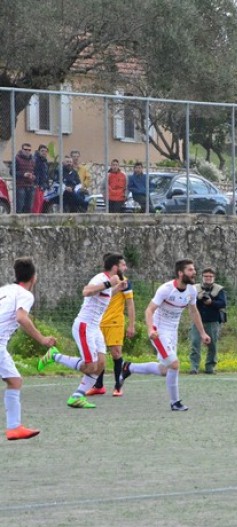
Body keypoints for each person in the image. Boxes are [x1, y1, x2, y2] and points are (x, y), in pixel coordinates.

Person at [37, 253, 127, 409]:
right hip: (84, 326)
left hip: (94, 328)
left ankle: (77, 396)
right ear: (115, 267)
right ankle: (54, 356)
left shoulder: (110, 282)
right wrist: (108, 284)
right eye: (122, 265)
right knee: (90, 366)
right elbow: (86, 291)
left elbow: (101, 295)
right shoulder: (100, 278)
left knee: (100, 366)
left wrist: (117, 288)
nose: (125, 268)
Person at [118, 259, 210, 411]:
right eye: (190, 270)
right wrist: (150, 330)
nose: (194, 273)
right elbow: (149, 310)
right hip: (159, 330)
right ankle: (175, 402)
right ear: (180, 273)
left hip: (172, 332)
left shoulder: (192, 290)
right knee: (174, 364)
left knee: (166, 370)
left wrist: (202, 333)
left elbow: (193, 311)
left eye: (194, 270)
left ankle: (129, 367)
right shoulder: (166, 289)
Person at [1, 258, 57, 440]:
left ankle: (14, 427)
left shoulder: (5, 290)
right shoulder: (25, 294)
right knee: (15, 381)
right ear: (34, 278)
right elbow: (21, 318)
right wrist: (42, 339)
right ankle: (14, 427)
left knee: (15, 380)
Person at [86, 269, 135, 397]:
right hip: (98, 321)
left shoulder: (124, 282)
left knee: (116, 353)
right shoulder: (102, 281)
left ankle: (118, 386)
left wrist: (131, 325)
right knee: (98, 354)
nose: (125, 267)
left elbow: (130, 304)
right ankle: (98, 386)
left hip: (115, 322)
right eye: (122, 264)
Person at [189, 267, 226, 375]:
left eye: (210, 276)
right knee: (195, 343)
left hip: (213, 321)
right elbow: (189, 302)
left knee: (213, 345)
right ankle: (194, 367)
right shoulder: (195, 288)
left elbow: (223, 303)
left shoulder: (219, 290)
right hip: (197, 321)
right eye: (206, 276)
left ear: (214, 277)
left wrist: (211, 302)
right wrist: (198, 298)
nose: (208, 278)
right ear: (202, 277)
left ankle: (210, 367)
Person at [14, 142, 35, 213]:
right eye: (26, 149)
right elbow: (12, 172)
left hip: (30, 185)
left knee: (29, 207)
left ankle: (27, 223)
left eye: (29, 150)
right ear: (22, 149)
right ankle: (18, 223)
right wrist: (23, 174)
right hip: (20, 186)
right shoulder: (16, 159)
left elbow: (34, 172)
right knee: (20, 206)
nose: (27, 151)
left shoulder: (32, 160)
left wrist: (33, 176)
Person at [32, 144, 50, 212]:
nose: (44, 152)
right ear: (39, 151)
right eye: (42, 151)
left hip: (43, 186)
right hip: (36, 185)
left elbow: (46, 175)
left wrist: (47, 185)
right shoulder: (35, 160)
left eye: (45, 151)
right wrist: (35, 184)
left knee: (41, 203)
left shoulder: (45, 162)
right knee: (36, 203)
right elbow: (35, 172)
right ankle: (35, 218)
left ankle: (38, 218)